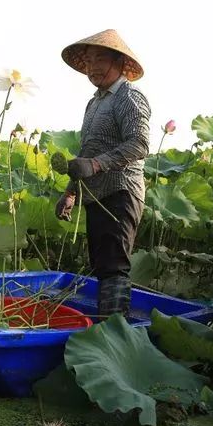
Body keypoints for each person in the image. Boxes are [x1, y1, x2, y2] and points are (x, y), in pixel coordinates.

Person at [55, 29, 151, 318]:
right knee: (101, 265)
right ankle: (103, 331)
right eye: (89, 61)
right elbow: (88, 150)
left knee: (113, 267)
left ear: (120, 62)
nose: (92, 67)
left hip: (121, 191)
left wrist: (97, 165)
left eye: (100, 59)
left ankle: (113, 334)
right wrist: (70, 192)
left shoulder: (129, 97)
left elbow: (140, 143)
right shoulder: (95, 102)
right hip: (95, 195)